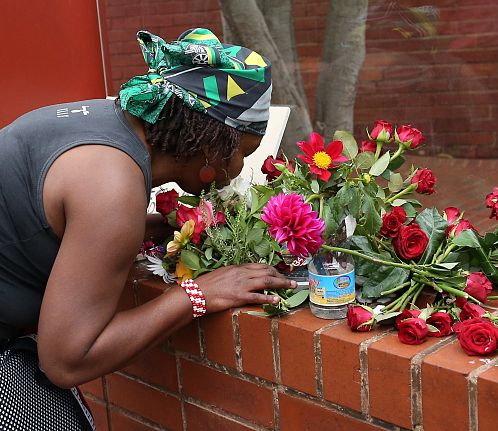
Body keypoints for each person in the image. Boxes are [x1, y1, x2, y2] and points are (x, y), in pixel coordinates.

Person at [0, 28, 295, 430]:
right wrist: (199, 293)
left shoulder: (107, 126)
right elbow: (67, 360)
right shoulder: (113, 185)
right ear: (212, 145)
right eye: (244, 153)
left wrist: (149, 229)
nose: (240, 170)